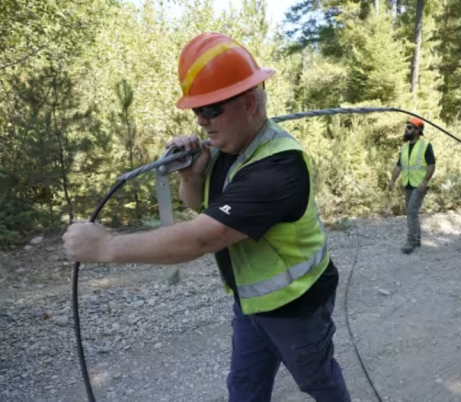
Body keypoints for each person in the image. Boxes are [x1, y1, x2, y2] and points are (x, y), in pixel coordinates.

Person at [62, 32, 351, 402]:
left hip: (297, 306)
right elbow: (196, 203)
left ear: (249, 103)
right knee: (244, 389)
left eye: (212, 109)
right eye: (197, 111)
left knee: (318, 381)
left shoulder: (279, 167)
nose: (201, 121)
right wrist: (192, 174)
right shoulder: (227, 147)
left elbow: (201, 237)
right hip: (251, 303)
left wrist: (105, 247)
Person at [387, 117, 436, 254]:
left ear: (417, 131)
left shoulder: (426, 145)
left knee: (411, 212)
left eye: (409, 127)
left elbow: (432, 165)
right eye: (406, 127)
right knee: (412, 212)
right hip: (408, 183)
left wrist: (425, 181)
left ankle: (411, 241)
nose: (406, 129)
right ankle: (418, 239)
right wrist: (392, 180)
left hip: (420, 184)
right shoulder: (404, 147)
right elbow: (399, 166)